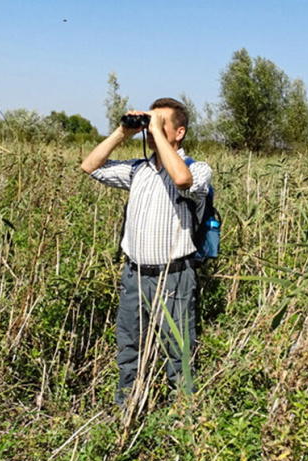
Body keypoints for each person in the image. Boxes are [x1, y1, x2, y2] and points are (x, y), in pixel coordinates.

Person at [80, 97, 212, 406]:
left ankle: (183, 419)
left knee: (178, 354)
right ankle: (126, 408)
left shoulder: (198, 170)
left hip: (174, 278)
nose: (150, 132)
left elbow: (182, 180)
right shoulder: (137, 170)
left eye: (159, 125)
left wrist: (156, 129)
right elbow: (90, 166)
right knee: (129, 349)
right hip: (134, 276)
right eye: (148, 126)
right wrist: (122, 133)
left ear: (179, 133)